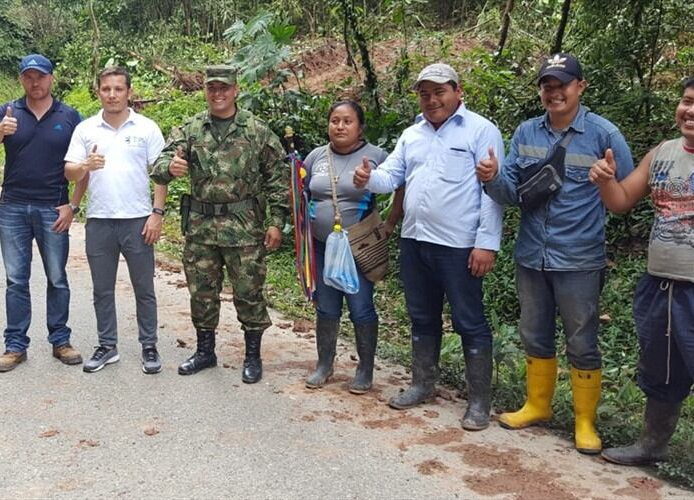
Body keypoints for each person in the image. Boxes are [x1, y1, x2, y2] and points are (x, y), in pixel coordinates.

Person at [477, 53, 635, 453]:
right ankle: (538, 405)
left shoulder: (604, 135)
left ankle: (585, 422)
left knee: (582, 339)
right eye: (547, 85)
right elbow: (511, 192)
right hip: (532, 254)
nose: (554, 91)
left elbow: (626, 193)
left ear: (580, 86)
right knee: (534, 333)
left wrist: (606, 183)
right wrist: (492, 179)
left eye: (562, 84)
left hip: (580, 257)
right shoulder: (527, 133)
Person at [353, 63, 504, 430]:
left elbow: (493, 192)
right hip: (414, 240)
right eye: (425, 93)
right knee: (421, 316)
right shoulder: (412, 135)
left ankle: (479, 402)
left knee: (470, 321)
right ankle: (423, 383)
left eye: (440, 91)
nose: (432, 99)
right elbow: (392, 176)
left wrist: (487, 244)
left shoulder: (481, 130)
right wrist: (368, 178)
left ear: (458, 91)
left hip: (458, 246)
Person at [150, 65, 289, 384]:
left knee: (249, 292)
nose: (218, 94)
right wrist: (170, 167)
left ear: (235, 89)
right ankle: (205, 352)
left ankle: (252, 356)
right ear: (205, 91)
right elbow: (158, 166)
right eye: (212, 88)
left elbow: (279, 179)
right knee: (202, 292)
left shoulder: (256, 130)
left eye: (224, 88)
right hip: (201, 228)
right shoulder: (192, 128)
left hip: (244, 229)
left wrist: (277, 222)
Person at [591, 74, 694, 466]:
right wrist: (605, 181)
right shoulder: (662, 153)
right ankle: (652, 446)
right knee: (661, 371)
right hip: (660, 287)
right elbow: (620, 201)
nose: (692, 110)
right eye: (687, 100)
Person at [0, 54, 84, 372]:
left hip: (53, 207)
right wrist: (0, 131)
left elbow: (83, 166)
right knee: (15, 280)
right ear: (21, 79)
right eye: (28, 77)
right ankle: (15, 346)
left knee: (57, 277)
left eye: (40, 76)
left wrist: (74, 205)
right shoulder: (8, 112)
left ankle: (60, 340)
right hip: (12, 207)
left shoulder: (69, 116)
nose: (35, 82)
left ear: (52, 78)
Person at [64, 66, 167, 374]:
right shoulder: (86, 129)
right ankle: (107, 346)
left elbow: (160, 174)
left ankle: (149, 345)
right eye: (106, 89)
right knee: (102, 289)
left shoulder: (147, 128)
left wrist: (157, 214)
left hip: (137, 220)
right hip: (100, 220)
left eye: (118, 89)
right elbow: (69, 172)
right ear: (98, 92)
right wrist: (85, 165)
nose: (112, 94)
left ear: (128, 92)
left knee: (143, 287)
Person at [301, 100, 389, 394]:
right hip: (321, 245)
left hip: (357, 246)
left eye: (347, 121)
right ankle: (324, 365)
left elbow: (399, 184)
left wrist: (390, 222)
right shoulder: (315, 157)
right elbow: (300, 191)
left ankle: (364, 370)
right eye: (335, 120)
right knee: (326, 305)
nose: (339, 126)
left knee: (360, 306)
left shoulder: (376, 155)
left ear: (360, 126)